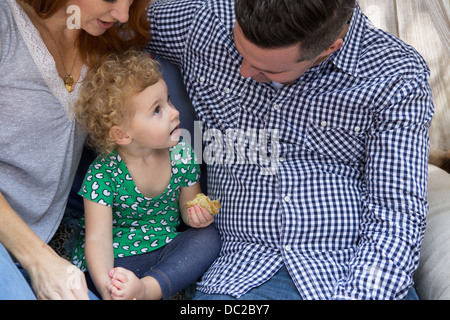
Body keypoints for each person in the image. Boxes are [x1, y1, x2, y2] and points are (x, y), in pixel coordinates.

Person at [146, 0, 434, 299]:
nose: (244, 71)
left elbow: (397, 215)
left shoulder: (396, 75)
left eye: (267, 69)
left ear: (329, 50)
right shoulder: (206, 20)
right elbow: (111, 18)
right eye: (238, 47)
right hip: (239, 274)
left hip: (350, 270)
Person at [0, 0, 152, 299]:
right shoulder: (6, 22)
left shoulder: (102, 37)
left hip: (32, 251)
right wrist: (39, 258)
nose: (122, 14)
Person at [70, 50, 221, 300]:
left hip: (167, 249)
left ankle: (149, 289)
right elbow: (98, 240)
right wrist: (109, 286)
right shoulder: (102, 175)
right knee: (96, 271)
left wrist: (195, 215)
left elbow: (188, 205)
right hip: (120, 258)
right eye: (157, 110)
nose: (174, 112)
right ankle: (127, 291)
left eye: (169, 101)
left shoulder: (181, 155)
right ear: (122, 135)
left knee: (207, 238)